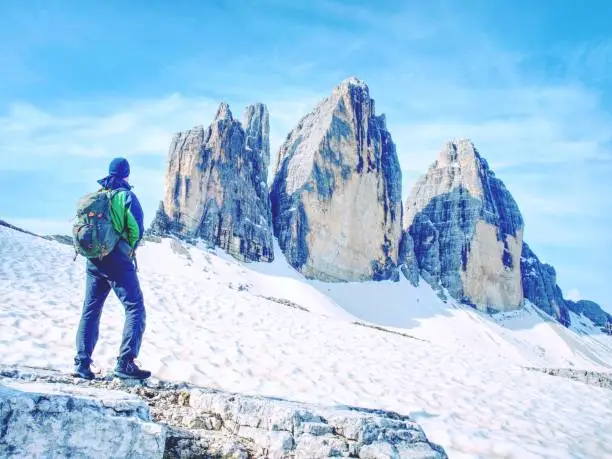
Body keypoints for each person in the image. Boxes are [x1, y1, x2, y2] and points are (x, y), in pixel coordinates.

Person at [73, 157, 151, 380]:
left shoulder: (97, 197)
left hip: (94, 259)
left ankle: (82, 364)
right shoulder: (125, 197)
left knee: (91, 309)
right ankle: (125, 363)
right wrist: (129, 249)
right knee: (135, 308)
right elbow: (136, 228)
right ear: (126, 175)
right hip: (117, 259)